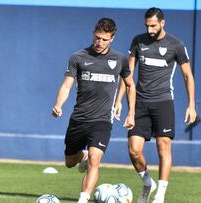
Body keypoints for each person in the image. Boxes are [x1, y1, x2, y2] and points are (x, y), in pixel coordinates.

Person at [114, 7, 197, 203]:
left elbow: (187, 75)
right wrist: (118, 101)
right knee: (134, 150)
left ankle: (160, 194)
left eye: (153, 25)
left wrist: (191, 105)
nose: (150, 29)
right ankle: (147, 182)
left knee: (163, 146)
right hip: (140, 103)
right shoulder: (138, 41)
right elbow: (129, 73)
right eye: (147, 26)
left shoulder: (176, 45)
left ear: (162, 23)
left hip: (163, 102)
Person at [52, 18, 136, 203]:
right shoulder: (78, 57)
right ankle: (81, 154)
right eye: (97, 38)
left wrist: (131, 112)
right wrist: (58, 105)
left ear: (112, 39)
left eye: (104, 39)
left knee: (95, 159)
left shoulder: (120, 60)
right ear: (93, 34)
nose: (100, 42)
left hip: (102, 121)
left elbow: (130, 85)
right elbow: (67, 85)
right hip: (79, 119)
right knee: (69, 163)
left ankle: (83, 198)